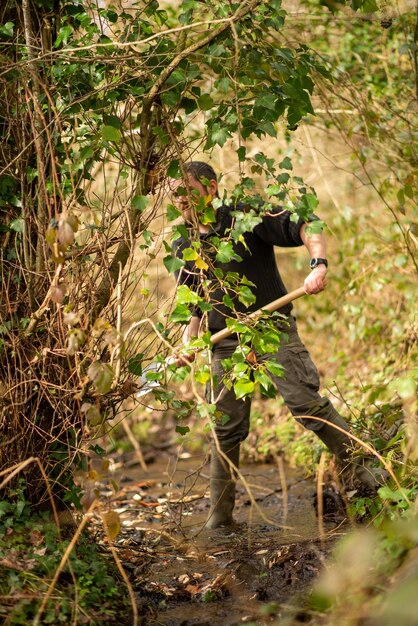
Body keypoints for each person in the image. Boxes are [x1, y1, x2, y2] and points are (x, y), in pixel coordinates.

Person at [171, 161, 386, 529]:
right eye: (176, 194)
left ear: (211, 187)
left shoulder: (244, 217)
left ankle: (372, 475)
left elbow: (307, 222)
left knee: (305, 404)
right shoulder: (183, 245)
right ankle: (219, 520)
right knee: (225, 428)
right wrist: (187, 341)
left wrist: (318, 263)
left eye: (189, 191)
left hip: (272, 327)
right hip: (224, 344)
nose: (182, 201)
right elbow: (195, 302)